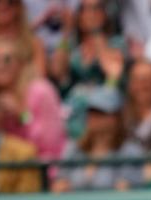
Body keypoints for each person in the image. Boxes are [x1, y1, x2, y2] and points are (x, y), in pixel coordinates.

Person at [50, 0, 126, 139]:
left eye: (96, 9)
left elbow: (111, 69)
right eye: (85, 9)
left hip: (103, 106)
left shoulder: (116, 43)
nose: (91, 14)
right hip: (73, 107)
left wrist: (96, 32)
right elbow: (57, 72)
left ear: (104, 14)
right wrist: (67, 32)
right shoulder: (72, 47)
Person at [0, 35, 65, 163]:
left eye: (7, 59)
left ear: (21, 64)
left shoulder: (41, 91)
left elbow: (49, 142)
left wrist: (21, 115)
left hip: (41, 168)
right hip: (2, 171)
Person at [50, 87, 145, 193]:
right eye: (91, 111)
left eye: (101, 112)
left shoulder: (130, 152)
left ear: (116, 118)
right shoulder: (73, 148)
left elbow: (127, 192)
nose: (93, 117)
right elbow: (60, 184)